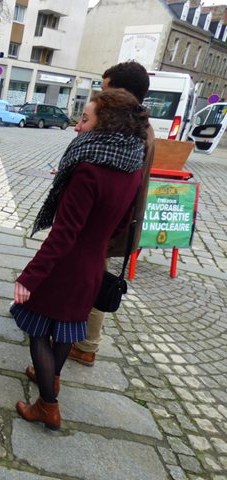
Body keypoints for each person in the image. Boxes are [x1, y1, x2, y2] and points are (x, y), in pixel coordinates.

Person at [11, 89, 150, 430]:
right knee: (67, 328)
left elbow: (64, 234)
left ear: (105, 125)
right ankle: (51, 381)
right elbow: (121, 224)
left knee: (40, 331)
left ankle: (48, 406)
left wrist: (30, 276)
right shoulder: (132, 167)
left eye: (84, 119)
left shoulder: (88, 169)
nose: (77, 126)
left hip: (65, 265)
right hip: (92, 265)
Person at [68, 61, 156, 367]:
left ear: (121, 92)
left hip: (107, 223)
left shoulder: (133, 130)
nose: (100, 95)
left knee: (92, 279)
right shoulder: (137, 125)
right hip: (111, 221)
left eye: (105, 89)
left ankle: (83, 344)